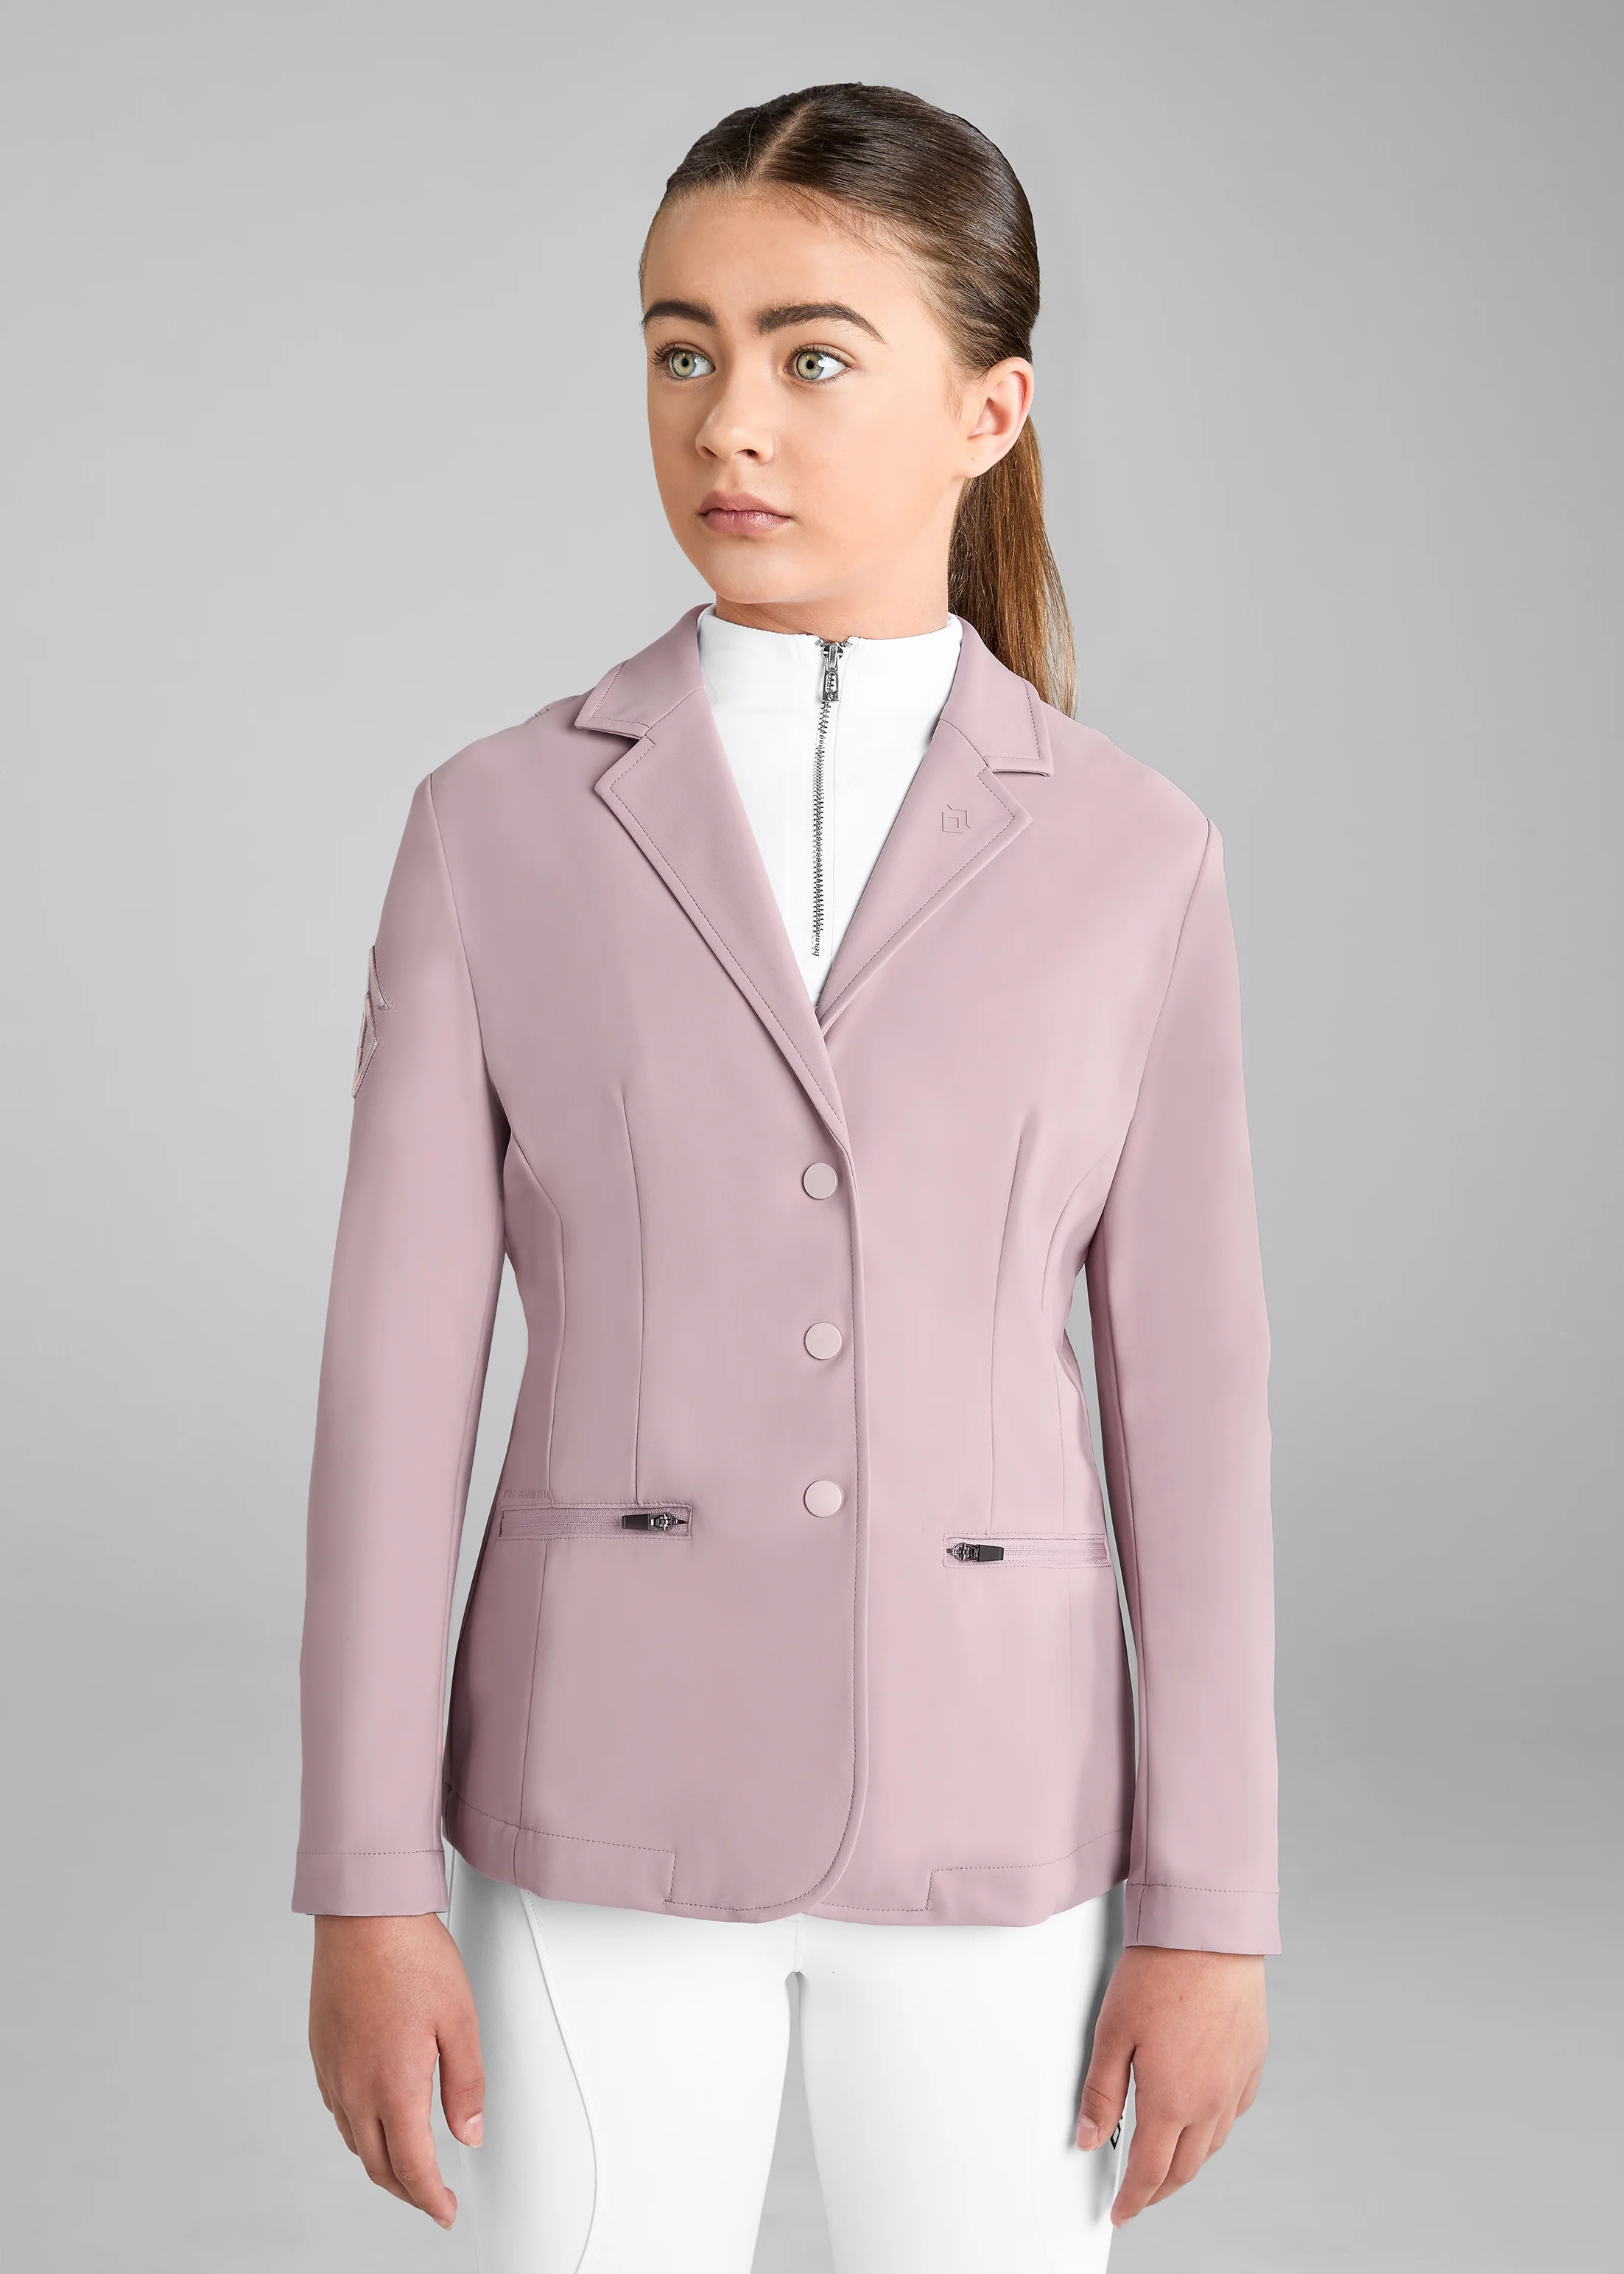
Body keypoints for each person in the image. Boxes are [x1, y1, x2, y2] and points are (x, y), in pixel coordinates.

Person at [295, 81, 1277, 2274]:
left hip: (1004, 1804)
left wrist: (1212, 1907)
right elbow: (391, 1386)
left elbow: (1192, 1409)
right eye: (682, 347)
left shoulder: (1139, 855)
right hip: (595, 1789)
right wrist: (364, 1881)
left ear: (990, 410)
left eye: (813, 354)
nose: (726, 417)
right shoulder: (493, 825)